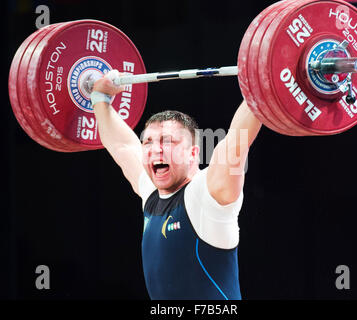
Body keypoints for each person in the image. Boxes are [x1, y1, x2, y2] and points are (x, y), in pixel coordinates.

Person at [91, 70, 262, 300]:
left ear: (193, 153)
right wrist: (100, 98)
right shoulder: (151, 194)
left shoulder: (205, 196)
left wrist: (263, 83)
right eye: (148, 142)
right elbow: (122, 145)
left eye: (167, 141)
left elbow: (237, 142)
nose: (155, 149)